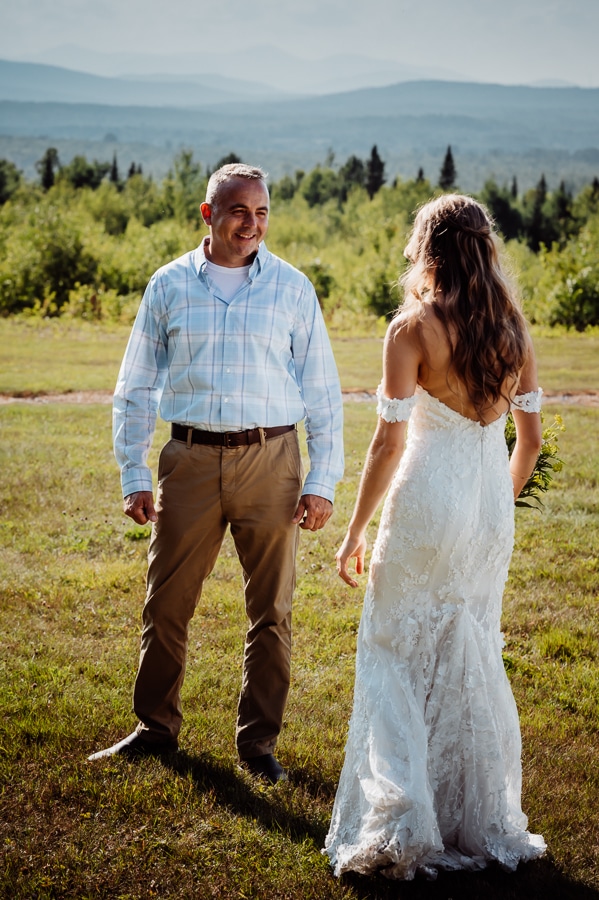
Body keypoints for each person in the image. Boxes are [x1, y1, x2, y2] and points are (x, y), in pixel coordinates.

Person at [88, 163, 344, 784]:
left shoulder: (292, 288)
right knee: (167, 601)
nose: (250, 224)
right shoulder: (168, 285)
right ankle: (154, 729)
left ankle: (259, 746)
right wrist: (134, 473)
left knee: (272, 611)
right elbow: (136, 386)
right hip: (190, 460)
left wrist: (321, 480)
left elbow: (323, 393)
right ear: (208, 214)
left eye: (260, 213)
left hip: (272, 462)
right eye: (237, 211)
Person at [323, 194, 546, 878]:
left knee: (393, 650)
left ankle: (398, 824)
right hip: (484, 509)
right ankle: (474, 820)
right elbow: (529, 443)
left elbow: (388, 444)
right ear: (485, 249)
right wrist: (487, 508)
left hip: (423, 504)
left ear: (426, 249)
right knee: (467, 649)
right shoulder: (513, 329)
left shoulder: (411, 329)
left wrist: (353, 529)